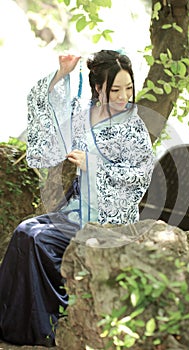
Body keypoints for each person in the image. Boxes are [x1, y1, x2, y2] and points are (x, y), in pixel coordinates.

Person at [0, 50, 154, 347]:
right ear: (98, 89)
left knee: (39, 240)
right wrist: (62, 74)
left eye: (129, 88)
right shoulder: (85, 117)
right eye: (115, 89)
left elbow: (140, 176)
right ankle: (11, 322)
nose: (124, 96)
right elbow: (50, 112)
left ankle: (44, 326)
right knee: (25, 231)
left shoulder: (133, 127)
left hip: (110, 217)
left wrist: (94, 165)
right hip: (77, 209)